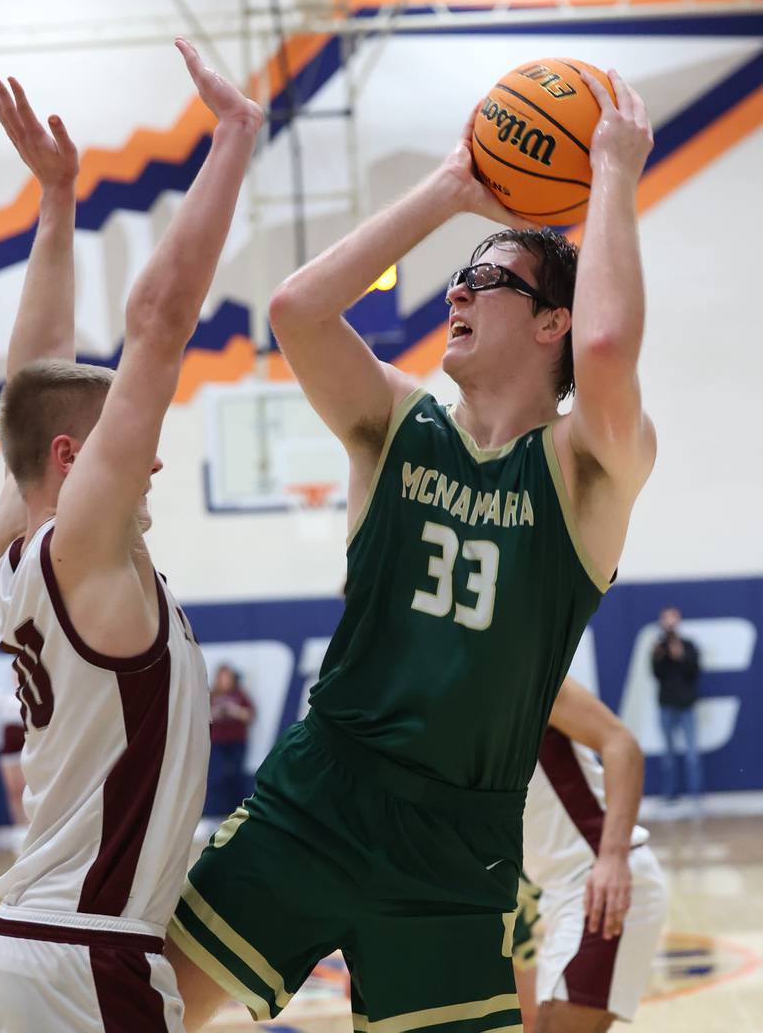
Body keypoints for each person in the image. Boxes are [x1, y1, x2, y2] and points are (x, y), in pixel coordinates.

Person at [166, 68, 656, 1032]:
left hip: (460, 844)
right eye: (460, 276)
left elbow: (605, 353)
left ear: (551, 321)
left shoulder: (587, 469)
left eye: (491, 280)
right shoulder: (395, 424)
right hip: (324, 791)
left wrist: (613, 181)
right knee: (146, 1015)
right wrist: (452, 188)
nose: (459, 291)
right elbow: (299, 310)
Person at [0, 44, 262, 1033]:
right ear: (72, 459)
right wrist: (232, 138)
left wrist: (55, 203)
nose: (148, 463)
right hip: (82, 956)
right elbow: (158, 319)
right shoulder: (80, 550)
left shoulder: (21, 549)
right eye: (125, 446)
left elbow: (34, 371)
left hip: (49, 947)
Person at [515, 677, 667, 1033]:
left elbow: (622, 745)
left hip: (604, 884)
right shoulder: (449, 711)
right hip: (560, 895)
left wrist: (613, 858)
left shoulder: (532, 676)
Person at [651, 606, 702, 802]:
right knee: (668, 755)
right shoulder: (658, 647)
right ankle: (670, 795)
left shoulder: (688, 645)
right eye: (666, 619)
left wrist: (680, 656)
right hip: (667, 704)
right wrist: (661, 656)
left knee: (692, 754)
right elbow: (656, 673)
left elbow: (694, 672)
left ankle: (695, 795)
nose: (670, 624)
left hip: (686, 704)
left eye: (673, 619)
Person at [206, 665, 255, 818]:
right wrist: (217, 712)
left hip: (236, 742)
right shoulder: (211, 696)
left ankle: (237, 814)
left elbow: (250, 715)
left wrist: (234, 710)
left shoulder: (240, 695)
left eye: (228, 677)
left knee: (235, 776)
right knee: (216, 778)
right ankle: (214, 815)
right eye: (222, 677)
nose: (225, 680)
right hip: (217, 743)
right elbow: (203, 718)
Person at [0, 669, 27, 834]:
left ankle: (31, 826)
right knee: (13, 791)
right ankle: (19, 826)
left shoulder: (29, 696)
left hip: (25, 748)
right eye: (14, 674)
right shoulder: (3, 697)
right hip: (8, 750)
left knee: (26, 789)